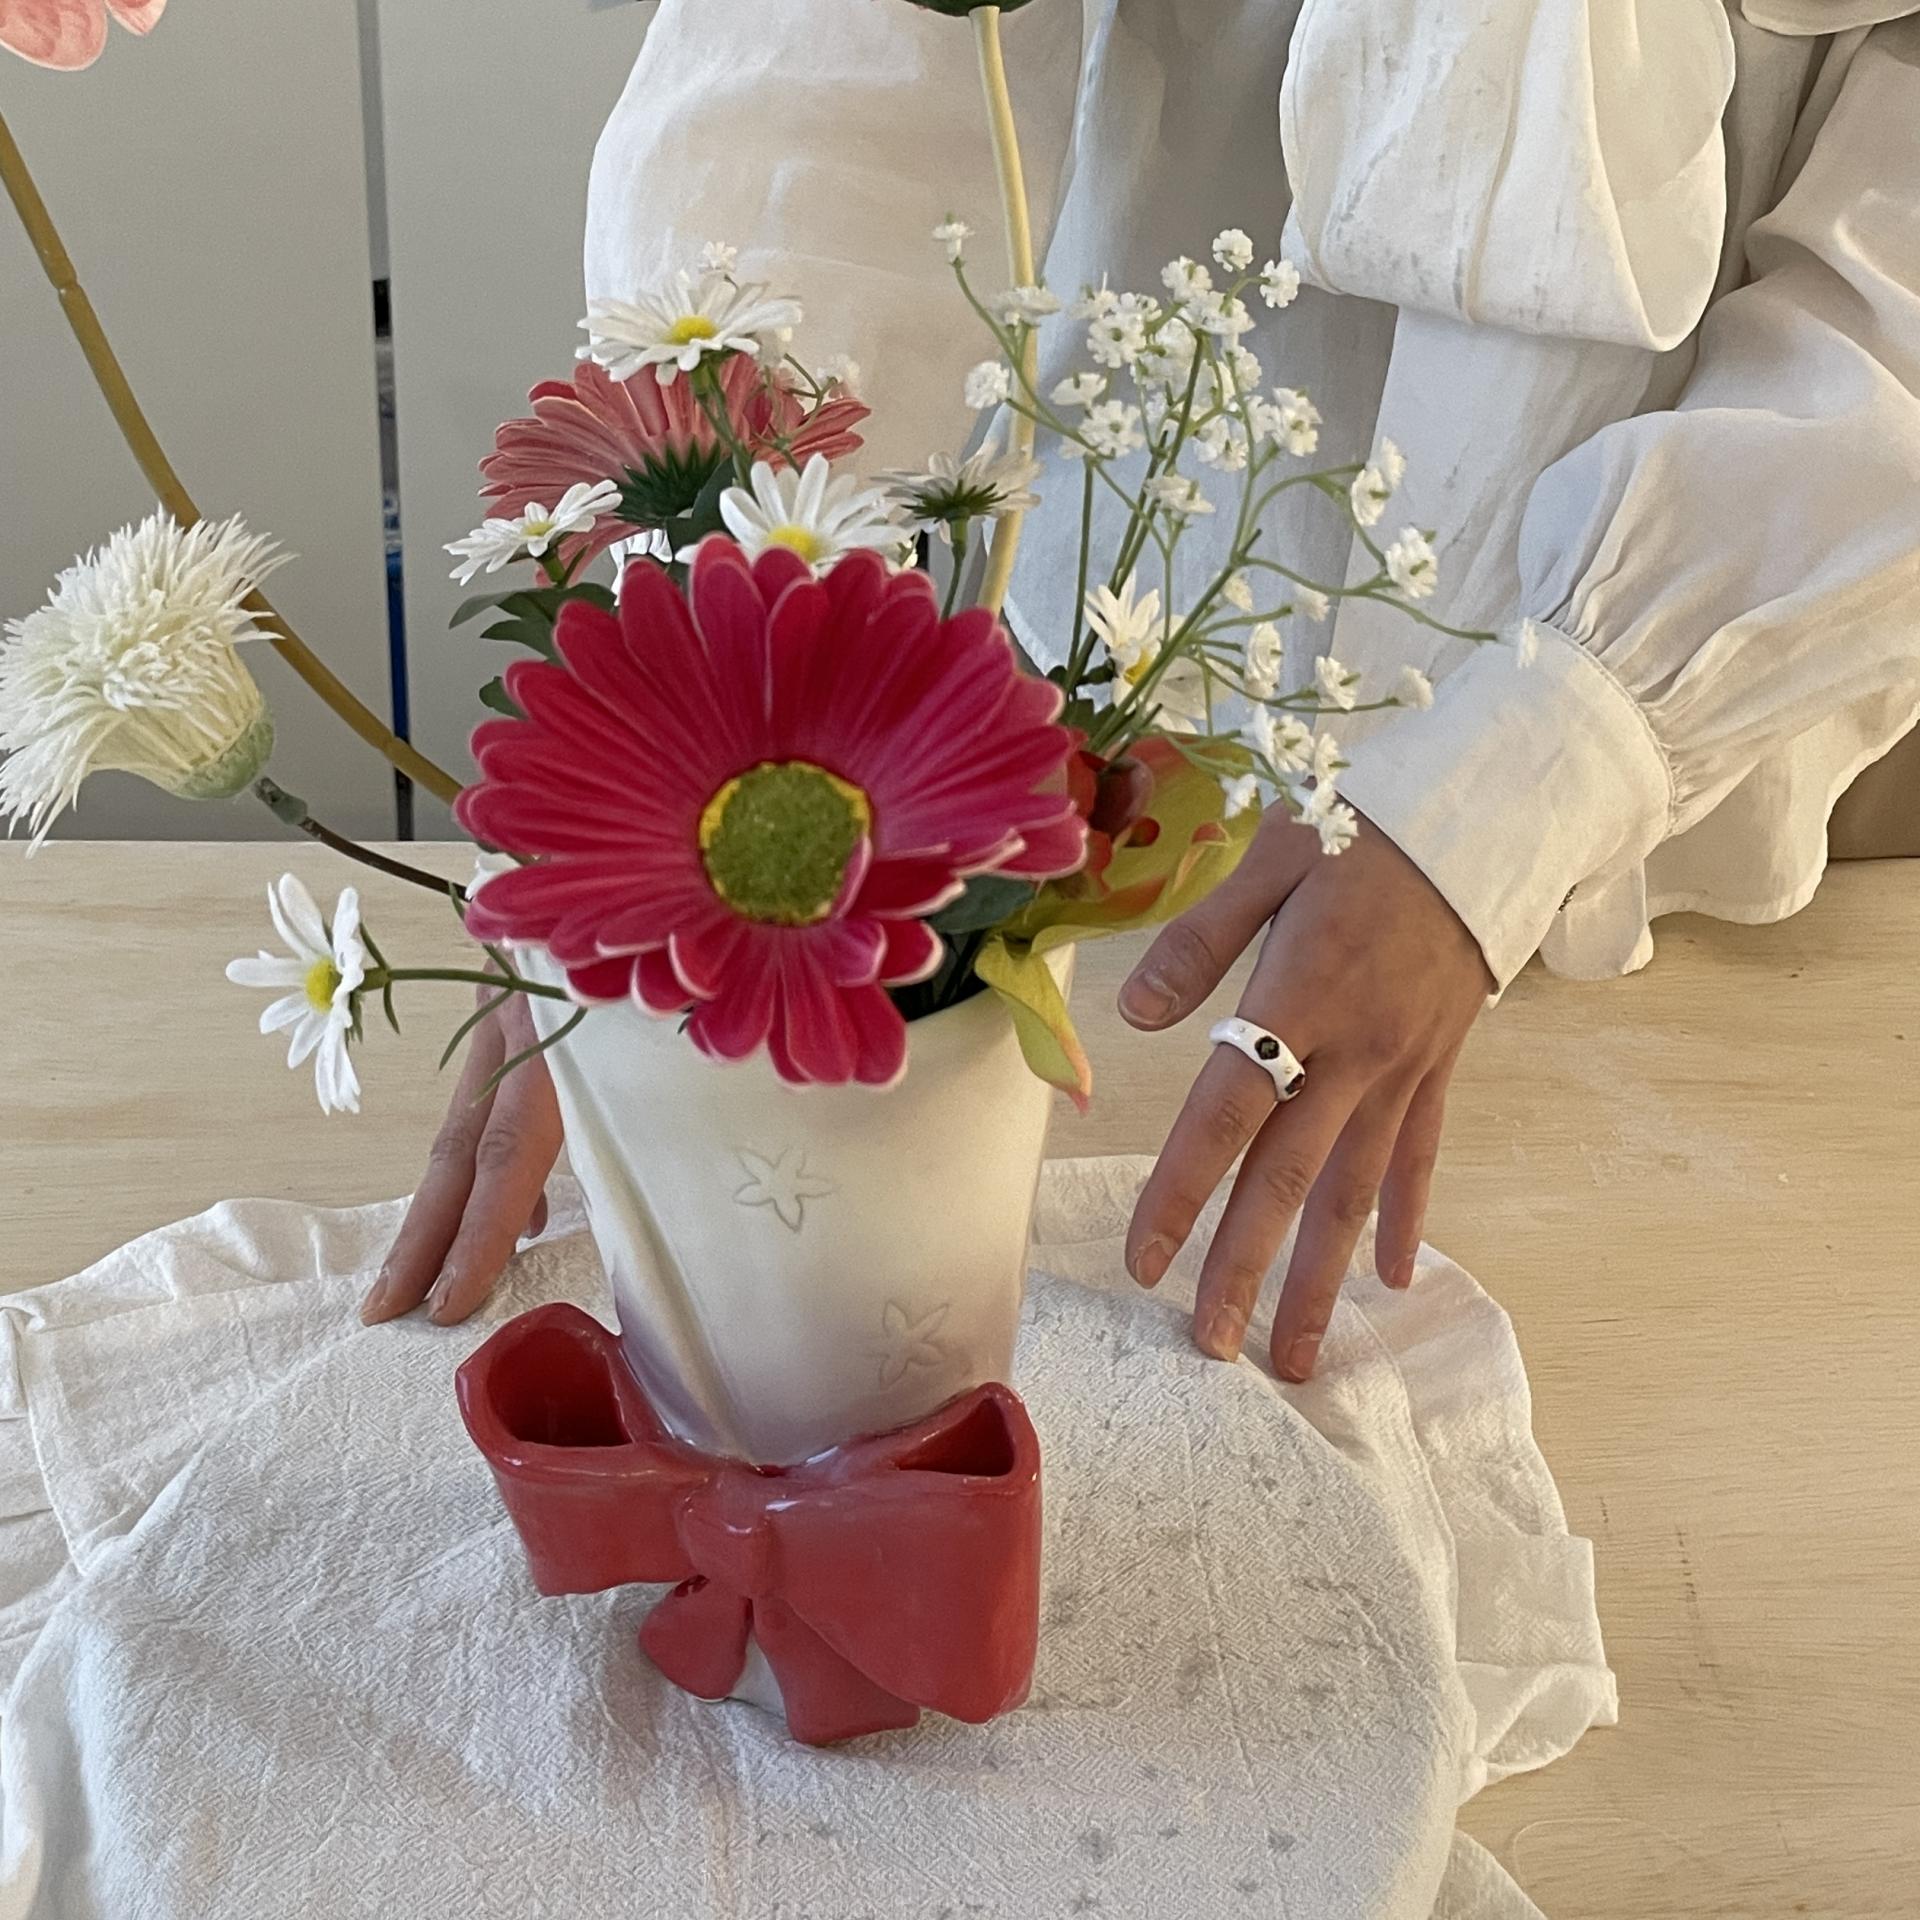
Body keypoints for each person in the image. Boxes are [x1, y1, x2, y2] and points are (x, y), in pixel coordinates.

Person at [362, 0, 1920, 1385]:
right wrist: (690, 721)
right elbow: (823, 85)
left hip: (1726, 721)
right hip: (1098, 756)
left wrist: (1544, 767)